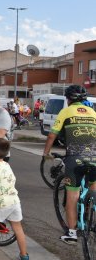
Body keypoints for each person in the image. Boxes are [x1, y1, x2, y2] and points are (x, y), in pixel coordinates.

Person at [43, 85, 96, 244]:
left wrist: (46, 153)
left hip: (75, 158)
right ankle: (92, 208)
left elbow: (52, 134)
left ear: (68, 99)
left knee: (72, 195)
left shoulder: (66, 112)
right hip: (95, 158)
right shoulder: (93, 113)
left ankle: (72, 233)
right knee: (93, 187)